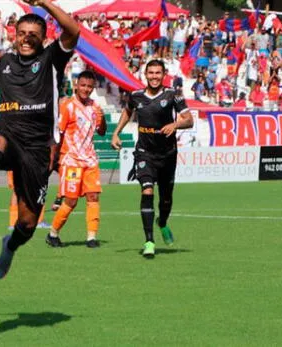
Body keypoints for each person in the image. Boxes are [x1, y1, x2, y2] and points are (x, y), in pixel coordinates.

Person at [0, 0, 80, 279]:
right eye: (22, 33)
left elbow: (73, 31)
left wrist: (46, 3)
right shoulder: (7, 62)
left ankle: (9, 245)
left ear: (43, 38)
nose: (26, 38)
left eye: (33, 34)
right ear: (15, 34)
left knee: (28, 222)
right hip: (9, 133)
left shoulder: (52, 58)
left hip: (37, 148)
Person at [111, 59, 193, 258]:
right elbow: (128, 111)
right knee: (147, 191)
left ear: (163, 75)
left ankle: (162, 222)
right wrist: (116, 132)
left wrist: (175, 125)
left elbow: (189, 120)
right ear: (145, 75)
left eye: (158, 73)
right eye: (151, 73)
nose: (154, 76)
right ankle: (149, 241)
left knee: (165, 199)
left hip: (167, 155)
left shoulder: (172, 95)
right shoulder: (136, 96)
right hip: (145, 154)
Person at [46, 70, 107, 248]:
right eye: (83, 85)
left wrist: (102, 120)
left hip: (90, 160)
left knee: (93, 196)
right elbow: (58, 134)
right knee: (71, 201)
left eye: (89, 86)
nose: (86, 89)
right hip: (71, 160)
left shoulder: (95, 106)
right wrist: (53, 159)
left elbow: (102, 132)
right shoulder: (68, 106)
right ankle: (53, 233)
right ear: (76, 85)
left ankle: (91, 237)